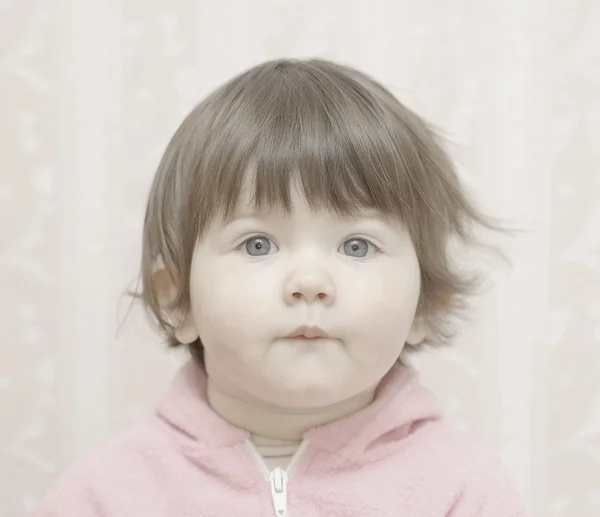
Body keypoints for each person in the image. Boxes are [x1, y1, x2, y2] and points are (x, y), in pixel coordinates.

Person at [33, 58, 527, 516]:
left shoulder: (463, 491)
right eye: (257, 245)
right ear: (176, 298)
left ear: (425, 303)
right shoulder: (106, 495)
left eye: (356, 246)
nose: (309, 282)